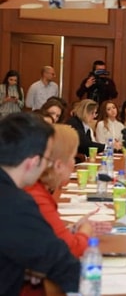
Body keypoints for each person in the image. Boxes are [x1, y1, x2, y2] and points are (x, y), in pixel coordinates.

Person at [0, 112, 81, 294]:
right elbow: (64, 266)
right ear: (33, 162)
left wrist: (22, 269)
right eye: (46, 160)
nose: (47, 167)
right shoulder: (17, 204)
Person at [25, 124, 111, 258]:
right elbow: (70, 250)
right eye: (72, 157)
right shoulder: (36, 197)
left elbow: (45, 237)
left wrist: (71, 230)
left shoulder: (38, 188)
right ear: (59, 165)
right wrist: (85, 231)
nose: (74, 164)